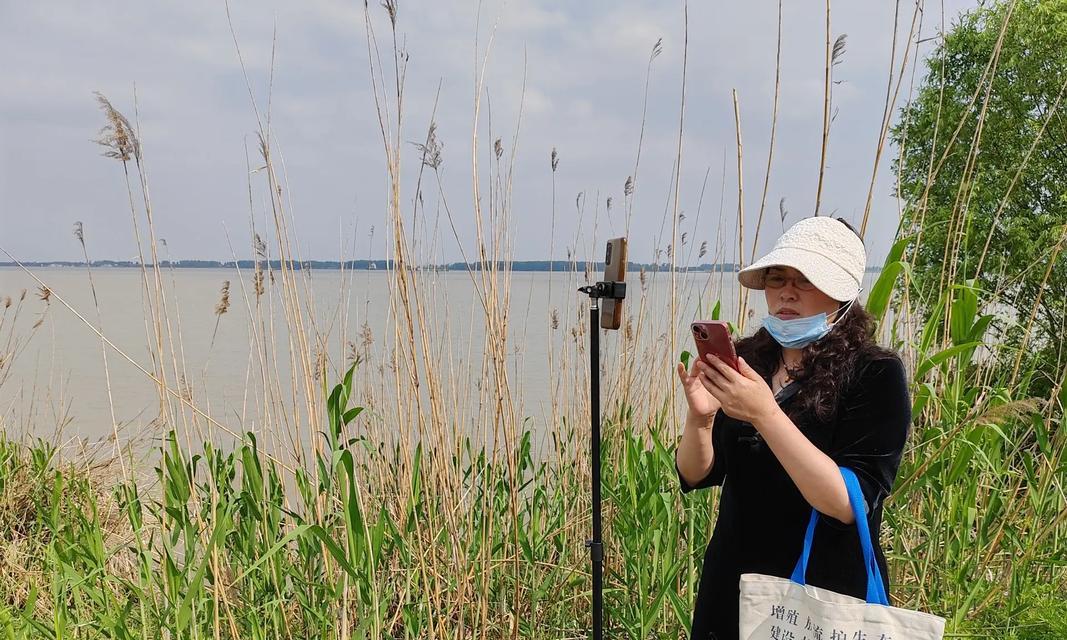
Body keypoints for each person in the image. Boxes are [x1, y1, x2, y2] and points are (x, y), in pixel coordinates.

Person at [675, 216, 911, 640]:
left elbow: (846, 502)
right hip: (733, 585)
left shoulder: (875, 374)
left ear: (842, 293)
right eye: (777, 278)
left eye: (804, 280)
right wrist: (702, 418)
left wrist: (765, 414)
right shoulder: (749, 361)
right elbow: (697, 473)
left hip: (819, 599)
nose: (786, 291)